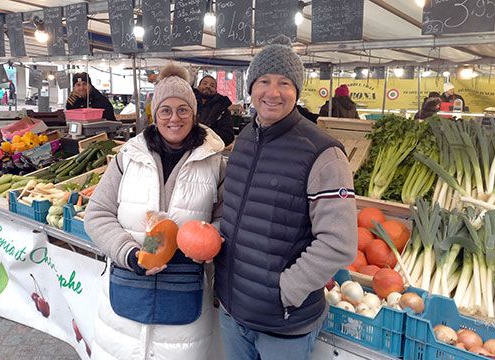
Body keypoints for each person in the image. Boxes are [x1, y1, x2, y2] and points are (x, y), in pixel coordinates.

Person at [214, 35, 357, 360]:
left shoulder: (324, 153)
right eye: (264, 81)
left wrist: (285, 291)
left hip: (284, 323)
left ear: (297, 90)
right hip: (233, 311)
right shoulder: (246, 138)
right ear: (251, 88)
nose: (273, 92)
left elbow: (339, 242)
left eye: (284, 83)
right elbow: (233, 210)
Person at [84, 63, 226, 360]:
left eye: (183, 110)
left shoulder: (215, 163)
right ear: (154, 113)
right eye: (165, 110)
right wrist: (129, 254)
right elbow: (97, 214)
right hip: (125, 297)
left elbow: (225, 219)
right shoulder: (128, 157)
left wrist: (209, 240)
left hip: (185, 301)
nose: (174, 118)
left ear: (194, 113)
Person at [194, 75, 235, 146]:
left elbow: (229, 135)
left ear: (216, 90)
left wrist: (206, 134)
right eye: (205, 83)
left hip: (211, 149)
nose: (208, 86)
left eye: (212, 85)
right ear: (198, 87)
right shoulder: (188, 103)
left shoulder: (222, 108)